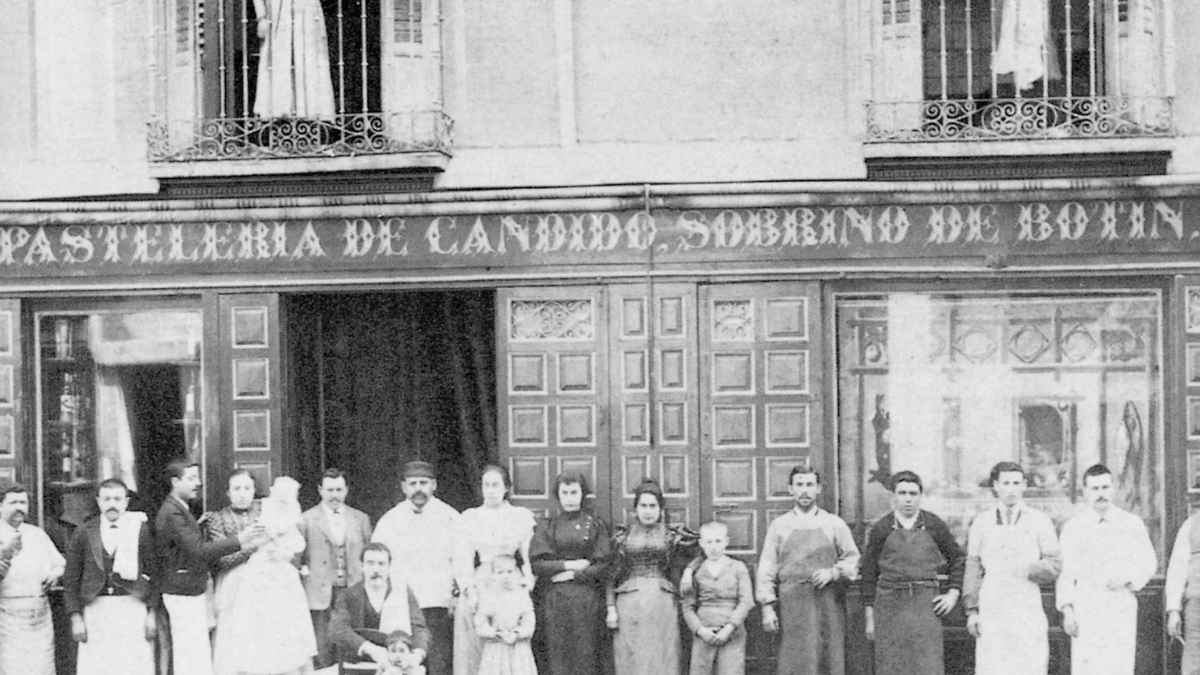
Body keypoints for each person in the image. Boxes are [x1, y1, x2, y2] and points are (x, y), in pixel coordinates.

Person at [156, 459, 264, 675]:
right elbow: (198, 551)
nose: (198, 483)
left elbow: (182, 543)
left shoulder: (179, 508)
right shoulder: (172, 512)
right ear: (175, 482)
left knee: (195, 651)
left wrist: (196, 526)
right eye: (192, 478)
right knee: (190, 652)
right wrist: (241, 540)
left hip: (188, 588)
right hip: (183, 589)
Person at [859, 470, 964, 674]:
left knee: (927, 664)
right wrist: (870, 618)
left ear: (920, 496)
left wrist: (953, 593)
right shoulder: (881, 528)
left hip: (925, 605)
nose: (908, 499)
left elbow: (958, 559)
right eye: (902, 493)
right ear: (893, 496)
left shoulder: (934, 524)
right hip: (889, 605)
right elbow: (869, 573)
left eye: (913, 493)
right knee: (891, 664)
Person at [757, 467, 859, 675]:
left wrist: (834, 572)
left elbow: (853, 560)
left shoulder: (834, 524)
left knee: (828, 657)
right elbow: (767, 566)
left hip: (827, 604)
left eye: (810, 485)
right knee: (796, 659)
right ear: (790, 489)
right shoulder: (779, 526)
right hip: (792, 604)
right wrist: (767, 606)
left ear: (819, 488)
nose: (805, 490)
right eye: (799, 484)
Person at [963, 461, 1061, 675]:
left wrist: (1027, 568)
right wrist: (972, 611)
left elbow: (1055, 565)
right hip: (993, 606)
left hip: (1026, 604)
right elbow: (973, 567)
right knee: (994, 665)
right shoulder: (982, 522)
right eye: (1006, 483)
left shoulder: (1040, 521)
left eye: (1016, 483)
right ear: (996, 486)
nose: (1011, 489)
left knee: (1029, 665)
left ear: (1024, 485)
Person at [1056, 463, 1156, 675]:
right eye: (1095, 489)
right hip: (1086, 607)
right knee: (1088, 666)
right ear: (1085, 491)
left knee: (1118, 664)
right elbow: (1065, 574)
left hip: (1119, 605)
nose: (1101, 494)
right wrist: (1067, 610)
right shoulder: (1074, 528)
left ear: (1113, 488)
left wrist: (1128, 579)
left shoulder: (1131, 524)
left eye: (1104, 487)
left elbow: (1148, 563)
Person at [218, 476, 317, 675]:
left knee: (286, 625)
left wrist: (284, 552)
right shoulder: (264, 513)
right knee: (258, 626)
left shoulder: (291, 517)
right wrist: (264, 542)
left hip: (282, 577)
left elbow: (297, 544)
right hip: (258, 574)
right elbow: (251, 541)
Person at [372, 460, 461, 675]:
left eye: (424, 482)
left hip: (439, 604)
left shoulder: (451, 517)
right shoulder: (390, 520)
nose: (418, 488)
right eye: (413, 483)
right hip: (404, 606)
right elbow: (378, 561)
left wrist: (456, 594)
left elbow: (461, 561)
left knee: (440, 661)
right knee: (405, 663)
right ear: (404, 487)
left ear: (434, 485)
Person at [63, 478, 157, 675]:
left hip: (132, 606)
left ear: (126, 502)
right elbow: (71, 578)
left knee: (133, 666)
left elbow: (154, 572)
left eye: (117, 499)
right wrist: (75, 617)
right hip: (96, 608)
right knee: (98, 666)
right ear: (98, 502)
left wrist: (152, 613)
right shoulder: (83, 532)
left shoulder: (139, 529)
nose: (112, 504)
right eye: (106, 499)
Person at [606, 478, 698, 675]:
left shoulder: (672, 535)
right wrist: (611, 608)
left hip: (662, 602)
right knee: (630, 656)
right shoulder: (624, 536)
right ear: (636, 509)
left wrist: (689, 570)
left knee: (663, 655)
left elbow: (702, 554)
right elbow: (610, 575)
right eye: (643, 505)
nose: (648, 511)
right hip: (629, 603)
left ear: (660, 509)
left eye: (652, 506)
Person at [453, 464, 537, 675]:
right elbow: (462, 559)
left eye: (495, 485)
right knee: (476, 640)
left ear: (506, 488)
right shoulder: (470, 517)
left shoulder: (520, 516)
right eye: (486, 485)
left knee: (510, 642)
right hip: (482, 579)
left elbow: (528, 556)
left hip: (510, 579)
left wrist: (528, 581)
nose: (490, 490)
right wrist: (469, 589)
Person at [530, 470, 611, 675]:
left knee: (586, 653)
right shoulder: (548, 526)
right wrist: (570, 565)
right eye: (564, 493)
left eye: (574, 492)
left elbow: (602, 564)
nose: (569, 498)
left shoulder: (594, 525)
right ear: (558, 496)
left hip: (586, 599)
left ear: (582, 494)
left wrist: (575, 575)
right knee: (557, 652)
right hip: (554, 601)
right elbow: (538, 564)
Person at [301, 467, 374, 669]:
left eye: (339, 490)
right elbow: (297, 559)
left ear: (346, 490)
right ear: (320, 490)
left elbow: (369, 554)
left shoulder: (360, 519)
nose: (334, 495)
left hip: (352, 588)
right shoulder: (306, 519)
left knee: (352, 640)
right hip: (320, 591)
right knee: (322, 645)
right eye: (330, 490)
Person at [0, 480, 65, 674]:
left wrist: (55, 574)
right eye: (13, 503)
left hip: (40, 617)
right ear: (0, 505)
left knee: (41, 668)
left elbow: (60, 564)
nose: (20, 508)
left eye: (23, 503)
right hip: (7, 618)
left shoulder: (37, 534)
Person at [329, 542, 429, 668]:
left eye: (381, 564)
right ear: (362, 566)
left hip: (397, 664)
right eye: (370, 563)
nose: (376, 569)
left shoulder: (402, 591)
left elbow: (419, 627)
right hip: (360, 664)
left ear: (389, 567)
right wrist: (370, 649)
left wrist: (417, 655)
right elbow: (338, 629)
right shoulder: (349, 595)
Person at [207, 468, 264, 675]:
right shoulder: (217, 518)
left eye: (247, 488)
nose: (242, 493)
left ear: (254, 490)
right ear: (228, 493)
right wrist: (254, 547)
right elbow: (223, 559)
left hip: (264, 582)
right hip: (233, 584)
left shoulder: (266, 511)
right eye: (236, 488)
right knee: (233, 637)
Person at [680, 521, 754, 675]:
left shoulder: (738, 567)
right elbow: (687, 606)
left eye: (718, 541)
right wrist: (700, 630)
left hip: (732, 633)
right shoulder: (696, 571)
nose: (713, 547)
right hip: (704, 633)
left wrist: (729, 627)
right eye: (709, 542)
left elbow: (746, 601)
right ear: (701, 543)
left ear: (726, 542)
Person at [474, 553, 538, 675]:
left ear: (516, 573)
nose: (506, 576)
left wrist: (518, 633)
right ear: (493, 575)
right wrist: (495, 633)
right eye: (500, 572)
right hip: (496, 646)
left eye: (510, 572)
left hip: (518, 647)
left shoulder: (522, 595)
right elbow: (480, 623)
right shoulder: (488, 597)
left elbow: (529, 621)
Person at [1166, 503, 1200, 674]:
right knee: (1194, 663)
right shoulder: (1191, 525)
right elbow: (1177, 570)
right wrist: (1173, 610)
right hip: (1197, 608)